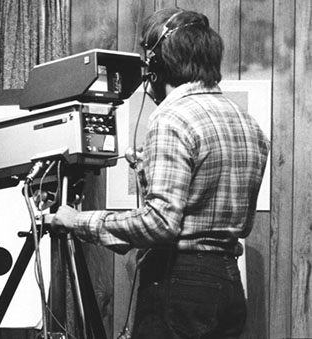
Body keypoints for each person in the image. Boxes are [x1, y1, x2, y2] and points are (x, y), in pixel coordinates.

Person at [49, 8, 269, 339]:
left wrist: (76, 221)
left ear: (156, 63)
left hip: (178, 283)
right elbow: (219, 208)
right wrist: (148, 170)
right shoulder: (247, 124)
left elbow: (160, 223)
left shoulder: (172, 118)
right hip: (227, 284)